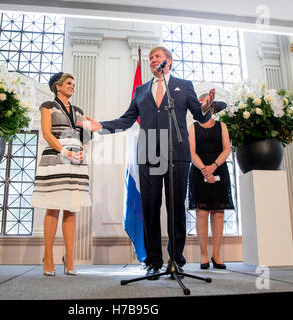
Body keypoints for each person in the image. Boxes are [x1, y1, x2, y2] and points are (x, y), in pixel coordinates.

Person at [79, 46, 215, 280]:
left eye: (157, 57)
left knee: (175, 207)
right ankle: (153, 261)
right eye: (151, 58)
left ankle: (176, 260)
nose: (153, 60)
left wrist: (206, 107)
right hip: (149, 150)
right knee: (150, 208)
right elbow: (127, 119)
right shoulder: (141, 90)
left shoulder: (184, 86)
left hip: (177, 150)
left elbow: (199, 115)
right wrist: (100, 126)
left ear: (169, 61)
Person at [32, 72, 91, 276]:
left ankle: (69, 258)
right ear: (57, 86)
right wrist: (64, 151)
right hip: (56, 157)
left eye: (73, 84)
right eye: (68, 83)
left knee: (71, 207)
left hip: (75, 161)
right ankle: (48, 257)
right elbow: (47, 133)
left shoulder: (79, 111)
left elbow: (85, 136)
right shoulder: (48, 106)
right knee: (53, 206)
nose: (72, 86)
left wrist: (83, 149)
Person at [188, 98, 234, 270]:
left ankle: (216, 255)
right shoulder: (193, 128)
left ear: (213, 110)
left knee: (218, 213)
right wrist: (204, 170)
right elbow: (191, 152)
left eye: (210, 107)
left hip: (219, 168)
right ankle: (203, 256)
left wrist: (213, 166)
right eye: (204, 107)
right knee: (201, 213)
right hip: (199, 171)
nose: (208, 110)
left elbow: (227, 149)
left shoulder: (222, 126)